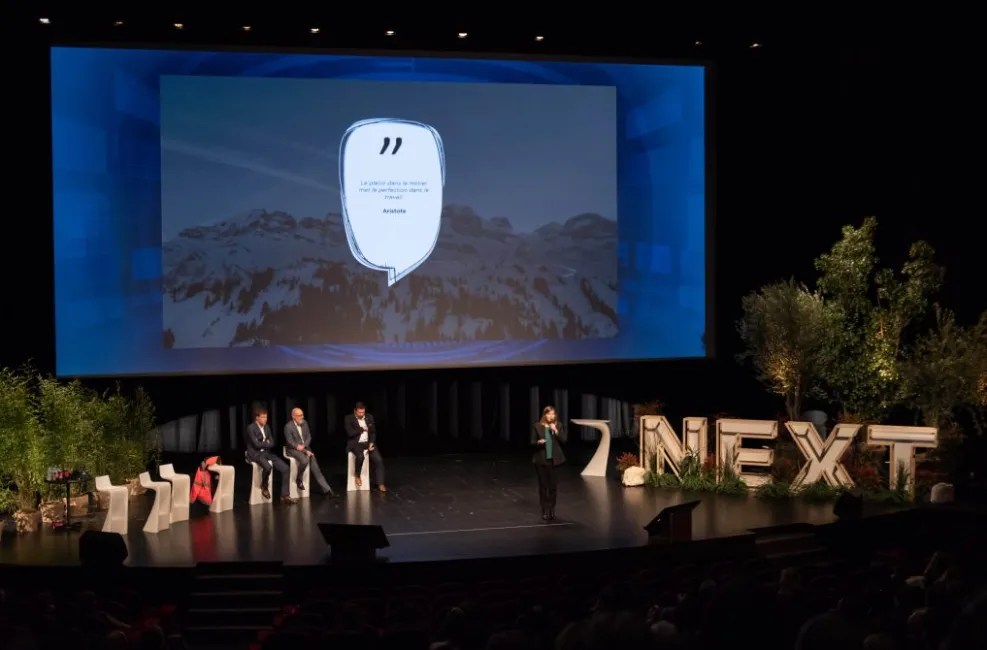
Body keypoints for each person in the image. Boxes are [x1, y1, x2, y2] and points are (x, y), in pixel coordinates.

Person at [244, 407, 295, 504]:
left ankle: (285, 495)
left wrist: (264, 443)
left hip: (266, 453)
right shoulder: (251, 428)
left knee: (285, 468)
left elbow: (272, 442)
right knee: (268, 467)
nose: (265, 419)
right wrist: (266, 442)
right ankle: (264, 486)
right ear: (257, 418)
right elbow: (256, 445)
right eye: (263, 417)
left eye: (266, 417)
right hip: (255, 454)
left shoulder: (267, 427)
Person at [283, 407, 337, 497]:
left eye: (302, 415)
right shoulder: (288, 427)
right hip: (292, 449)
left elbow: (308, 436)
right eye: (299, 415)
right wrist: (303, 450)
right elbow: (290, 442)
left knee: (316, 469)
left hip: (305, 448)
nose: (302, 417)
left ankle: (328, 490)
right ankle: (299, 479)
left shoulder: (304, 423)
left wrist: (305, 447)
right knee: (304, 461)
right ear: (293, 416)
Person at [531, 405, 567, 520]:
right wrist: (539, 442)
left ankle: (552, 510)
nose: (551, 416)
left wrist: (555, 430)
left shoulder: (559, 426)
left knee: (553, 487)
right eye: (548, 413)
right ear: (544, 415)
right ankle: (545, 510)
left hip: (554, 461)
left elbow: (564, 440)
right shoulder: (537, 426)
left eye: (552, 414)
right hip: (541, 461)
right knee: (543, 486)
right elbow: (532, 443)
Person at [343, 402, 387, 492]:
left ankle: (380, 483)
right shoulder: (348, 418)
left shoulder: (369, 417)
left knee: (378, 460)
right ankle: (357, 475)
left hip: (367, 443)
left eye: (363, 412)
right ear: (355, 411)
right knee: (360, 456)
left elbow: (373, 432)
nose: (361, 414)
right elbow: (350, 433)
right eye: (359, 412)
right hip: (356, 443)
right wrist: (362, 428)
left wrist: (371, 443)